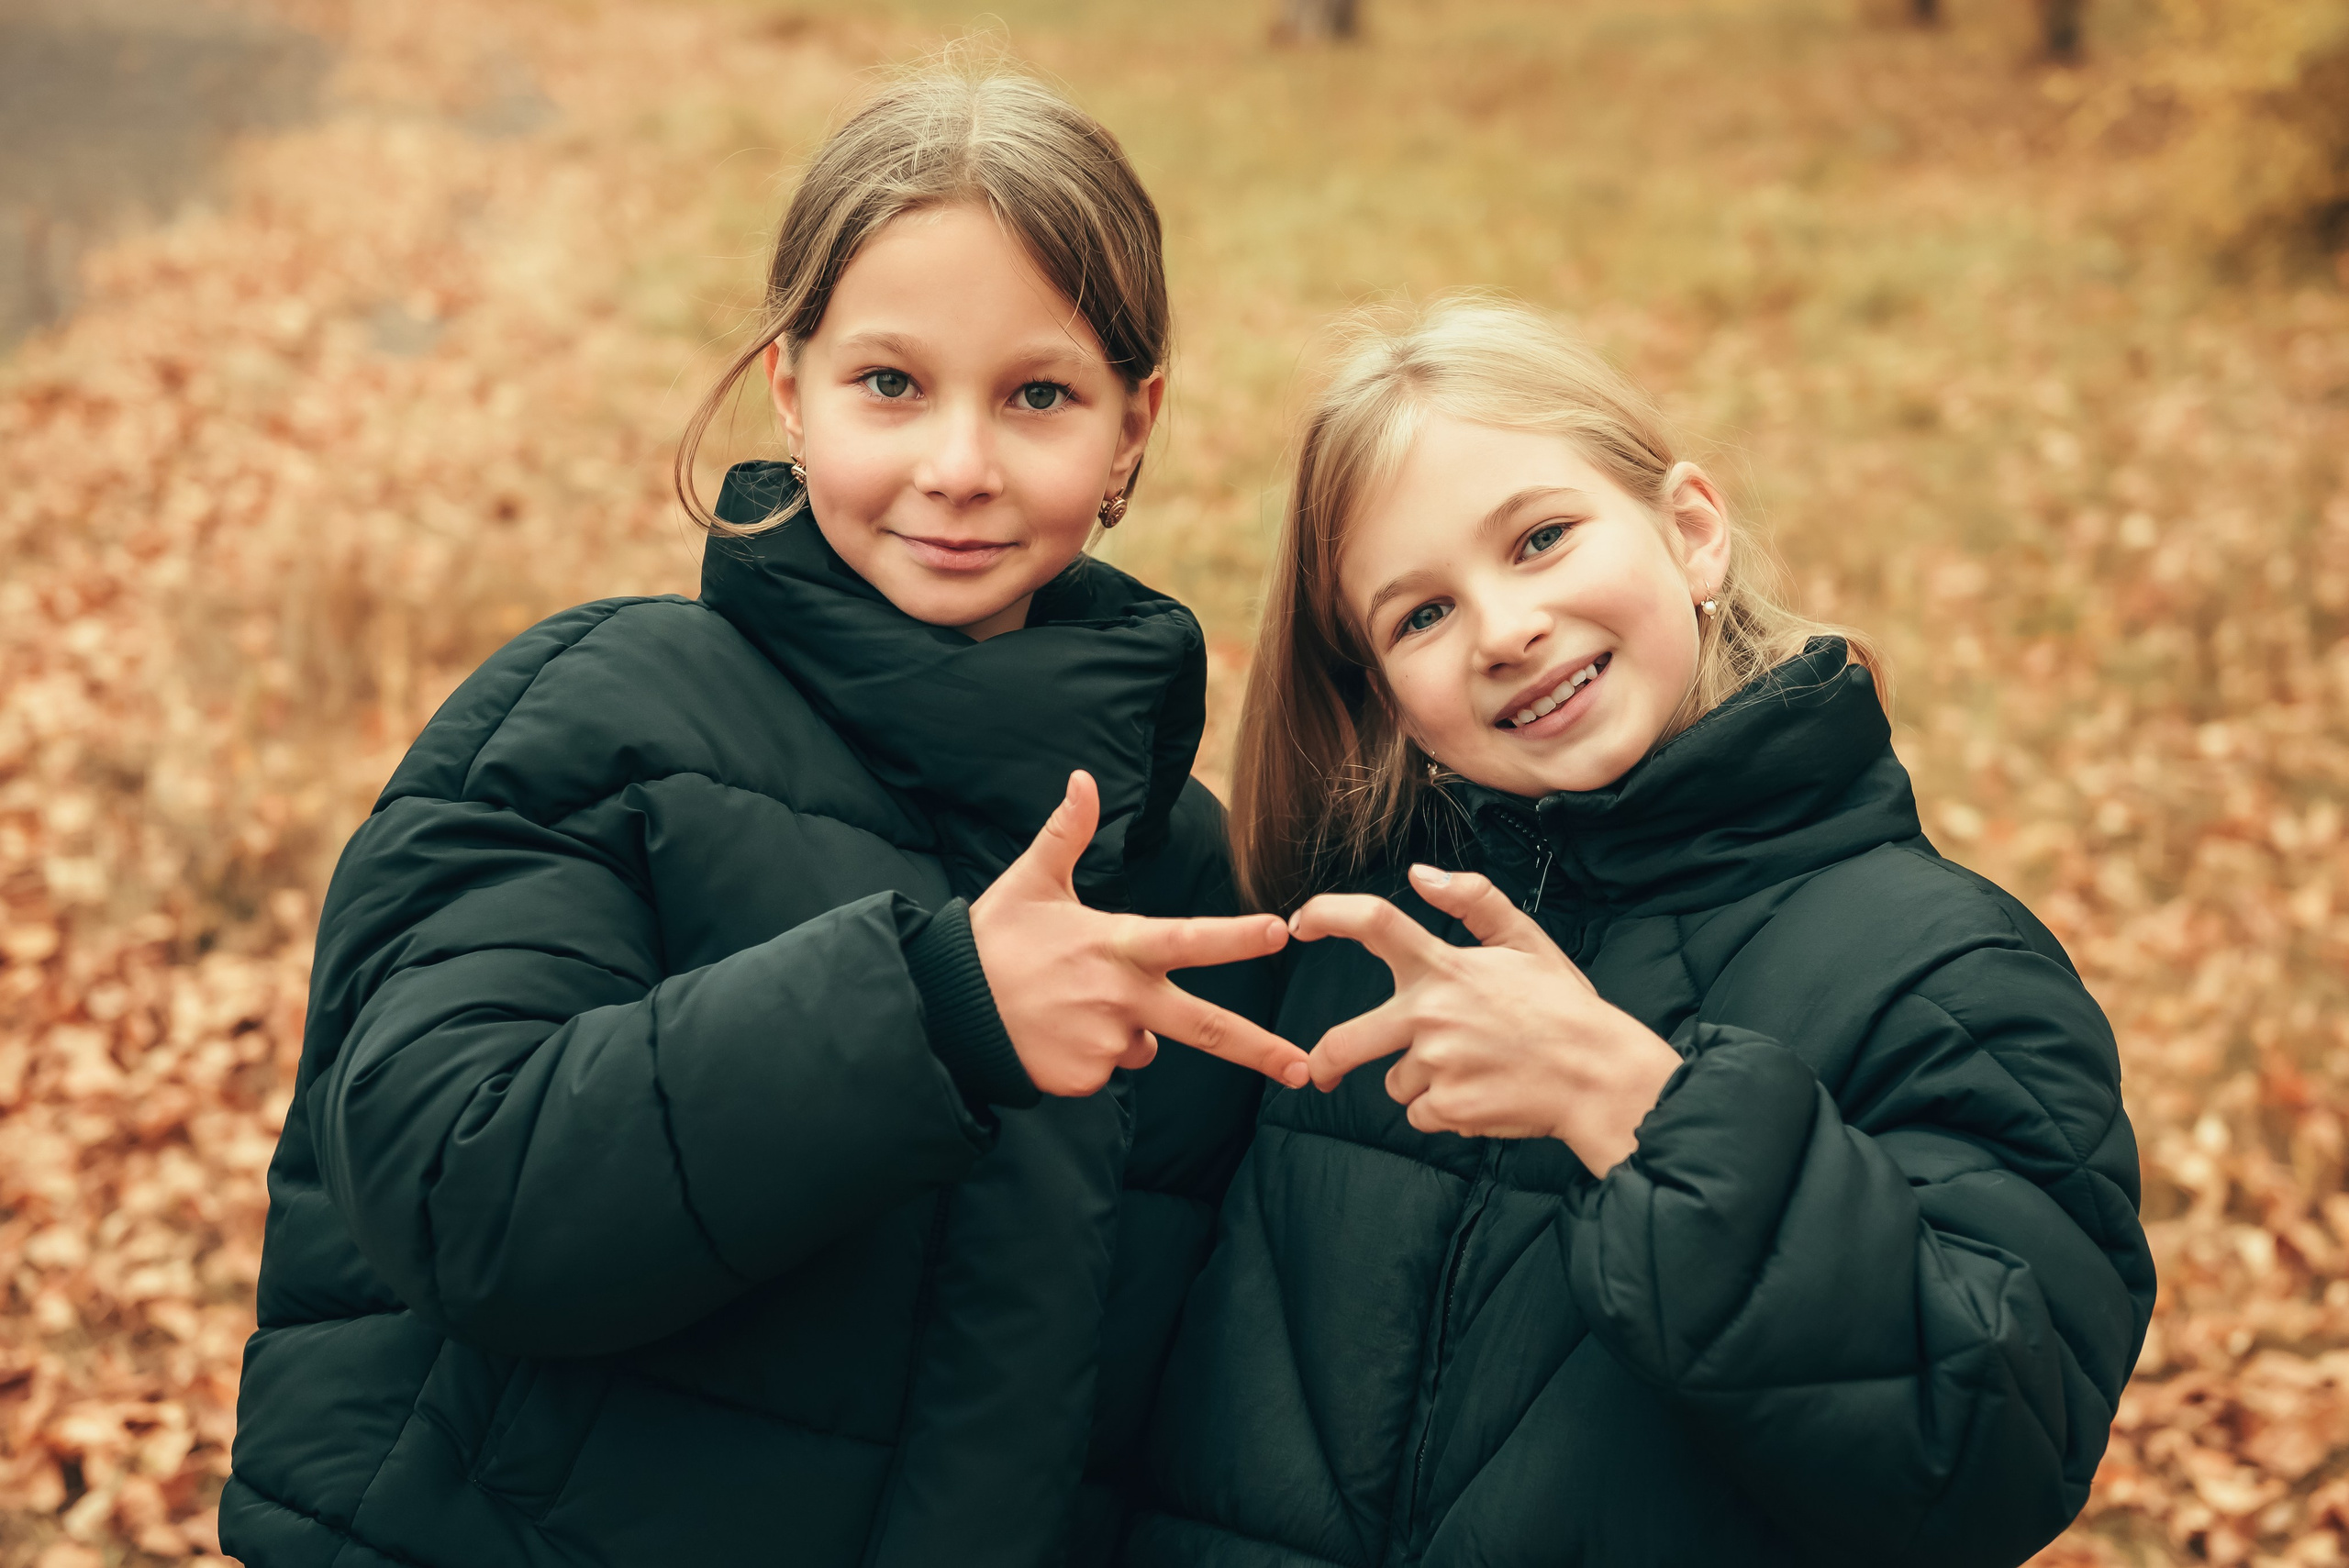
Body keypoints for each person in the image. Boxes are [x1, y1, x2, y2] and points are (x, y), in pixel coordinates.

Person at [222, 64, 1311, 1568]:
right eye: (891, 383)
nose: (959, 465)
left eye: (1039, 394)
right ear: (789, 387)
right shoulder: (599, 714)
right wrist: (929, 1011)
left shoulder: (1180, 874)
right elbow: (449, 1178)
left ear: (1135, 426)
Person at [1129, 297, 2155, 1568]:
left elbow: (1994, 1454)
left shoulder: (1940, 970)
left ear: (1692, 532)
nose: (1506, 630)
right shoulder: (1343, 946)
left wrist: (1641, 1111)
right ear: (1381, 697)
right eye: (1422, 615)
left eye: (1542, 538)